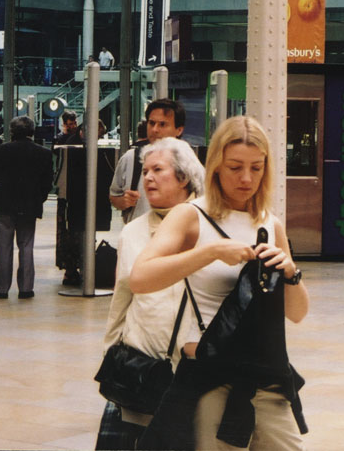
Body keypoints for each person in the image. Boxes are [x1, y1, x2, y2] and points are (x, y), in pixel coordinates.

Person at [130, 116, 309, 450]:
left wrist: (290, 273)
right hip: (211, 374)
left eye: (256, 168)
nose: (246, 178)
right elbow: (140, 278)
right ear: (215, 167)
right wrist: (210, 252)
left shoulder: (270, 223)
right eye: (234, 167)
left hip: (266, 376)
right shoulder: (191, 216)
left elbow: (297, 313)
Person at [97, 137, 206, 450]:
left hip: (191, 373)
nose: (147, 177)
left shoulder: (210, 226)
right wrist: (112, 350)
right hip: (139, 369)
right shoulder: (133, 231)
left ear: (184, 177)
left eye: (158, 170)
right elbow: (122, 296)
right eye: (145, 171)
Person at [0, 116, 53, 299]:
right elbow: (47, 182)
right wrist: (38, 198)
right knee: (26, 245)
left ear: (12, 131)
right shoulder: (43, 153)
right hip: (29, 204)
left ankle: (1, 289)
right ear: (32, 132)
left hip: (5, 204)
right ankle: (26, 288)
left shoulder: (4, 149)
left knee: (3, 246)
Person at [110, 99, 185, 224]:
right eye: (152, 123)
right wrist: (124, 201)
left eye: (162, 124)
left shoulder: (189, 164)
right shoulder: (131, 158)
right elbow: (114, 196)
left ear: (179, 130)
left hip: (177, 239)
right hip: (139, 239)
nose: (155, 129)